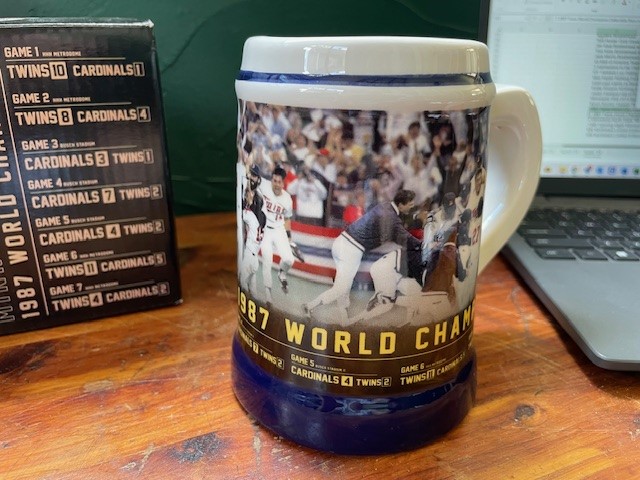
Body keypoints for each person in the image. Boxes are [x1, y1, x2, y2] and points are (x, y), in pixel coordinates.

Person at [303, 189, 421, 322]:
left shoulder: (385, 206)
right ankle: (309, 306)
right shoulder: (392, 218)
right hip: (352, 249)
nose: (411, 207)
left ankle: (344, 321)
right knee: (341, 288)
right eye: (410, 205)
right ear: (401, 205)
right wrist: (423, 245)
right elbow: (406, 238)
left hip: (342, 241)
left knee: (343, 287)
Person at [258, 166, 296, 305]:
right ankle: (268, 294)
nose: (276, 184)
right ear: (271, 179)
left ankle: (282, 273)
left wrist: (289, 238)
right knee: (267, 259)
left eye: (279, 182)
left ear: (283, 183)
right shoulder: (264, 185)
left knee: (289, 260)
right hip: (265, 229)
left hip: (279, 229)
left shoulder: (287, 199)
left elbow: (287, 218)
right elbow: (251, 175)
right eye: (274, 181)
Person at [240, 165, 266, 296]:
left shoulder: (250, 216)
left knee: (242, 285)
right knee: (253, 290)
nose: (251, 178)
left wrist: (248, 202)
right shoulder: (259, 220)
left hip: (249, 253)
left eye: (254, 175)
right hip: (255, 256)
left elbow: (245, 212)